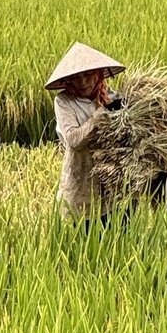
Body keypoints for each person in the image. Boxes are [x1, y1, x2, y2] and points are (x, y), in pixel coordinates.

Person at [45, 42, 125, 213]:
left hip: (114, 187)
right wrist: (99, 115)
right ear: (69, 80)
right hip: (81, 183)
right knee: (83, 234)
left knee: (120, 235)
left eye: (88, 75)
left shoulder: (114, 98)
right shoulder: (64, 102)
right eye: (76, 77)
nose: (82, 82)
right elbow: (73, 140)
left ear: (98, 74)